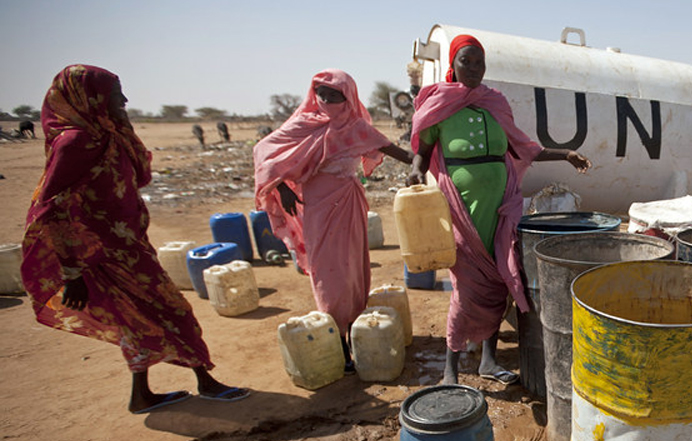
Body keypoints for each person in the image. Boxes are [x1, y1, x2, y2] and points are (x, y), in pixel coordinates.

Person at [21, 65, 248, 414]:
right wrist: (72, 273)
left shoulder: (106, 135)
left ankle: (141, 395)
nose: (123, 100)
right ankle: (206, 381)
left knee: (134, 318)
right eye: (115, 94)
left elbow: (139, 177)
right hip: (101, 252)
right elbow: (52, 208)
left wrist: (122, 130)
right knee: (173, 310)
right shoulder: (76, 142)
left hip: (128, 242)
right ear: (91, 97)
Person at [406, 34, 591, 386]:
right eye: (466, 62)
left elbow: (522, 147)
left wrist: (565, 154)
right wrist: (416, 168)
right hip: (461, 210)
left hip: (502, 207)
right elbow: (424, 149)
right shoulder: (438, 105)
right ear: (453, 65)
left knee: (500, 280)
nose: (473, 69)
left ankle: (488, 361)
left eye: (479, 63)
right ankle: (450, 370)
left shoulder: (495, 103)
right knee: (467, 289)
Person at [253, 69, 413, 370]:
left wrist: (426, 158)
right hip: (317, 207)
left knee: (353, 268)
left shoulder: (356, 128)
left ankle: (354, 332)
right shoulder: (303, 125)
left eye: (333, 95)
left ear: (348, 97)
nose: (325, 100)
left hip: (348, 204)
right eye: (321, 94)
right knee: (328, 273)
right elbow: (265, 152)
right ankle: (338, 342)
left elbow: (394, 151)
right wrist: (282, 188)